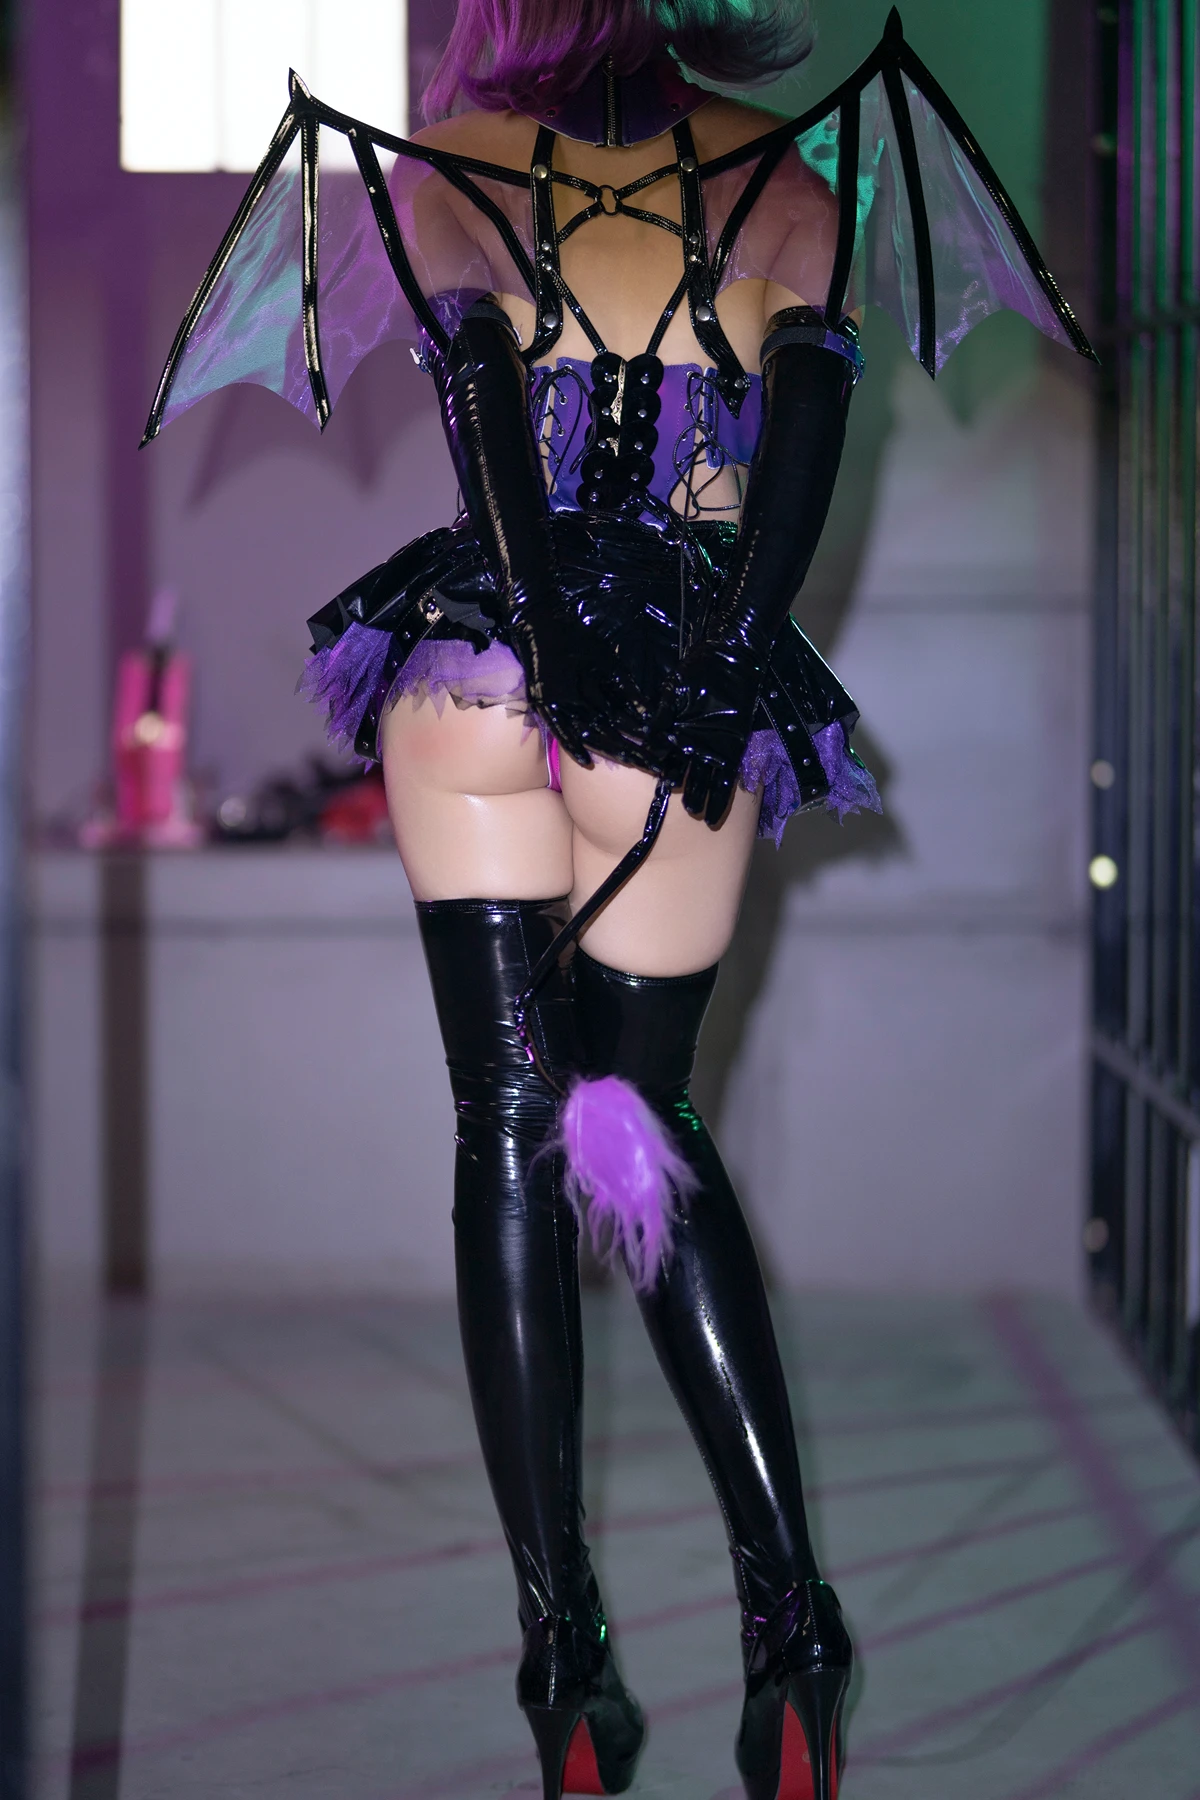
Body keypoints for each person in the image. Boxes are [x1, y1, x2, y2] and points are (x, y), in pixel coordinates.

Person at [144, 4, 1092, 1793]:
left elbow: (485, 403)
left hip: (476, 679)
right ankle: (792, 1630)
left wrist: (550, 649)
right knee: (639, 1116)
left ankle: (562, 1657)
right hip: (676, 697)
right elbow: (803, 435)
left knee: (508, 1126)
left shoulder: (441, 169)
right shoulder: (790, 181)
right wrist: (722, 670)